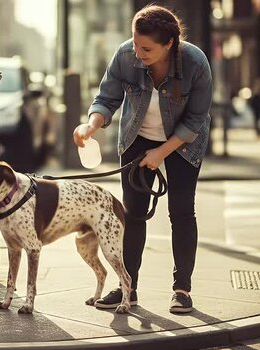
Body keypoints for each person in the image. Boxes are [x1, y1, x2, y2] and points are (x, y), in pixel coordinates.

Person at [73, 5, 212, 314]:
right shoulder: (125, 55)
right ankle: (128, 288)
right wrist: (90, 126)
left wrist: (161, 153)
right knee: (133, 213)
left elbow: (195, 121)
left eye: (146, 48)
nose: (137, 52)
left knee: (181, 211)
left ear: (169, 45)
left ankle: (182, 290)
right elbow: (107, 97)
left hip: (184, 142)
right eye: (135, 43)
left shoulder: (195, 63)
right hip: (137, 138)